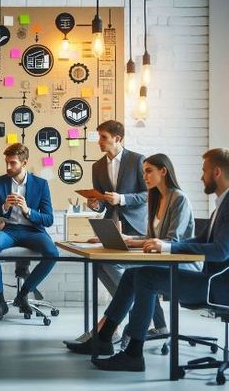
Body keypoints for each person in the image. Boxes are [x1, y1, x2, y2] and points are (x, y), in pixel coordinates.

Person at [73, 148, 229, 372]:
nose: (200, 176)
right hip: (217, 280)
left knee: (145, 276)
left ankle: (133, 354)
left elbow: (222, 251)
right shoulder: (223, 205)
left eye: (203, 171)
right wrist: (157, 243)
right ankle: (104, 338)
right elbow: (200, 241)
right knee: (132, 274)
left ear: (216, 172)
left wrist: (168, 245)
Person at [67, 153, 200, 351]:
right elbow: (149, 238)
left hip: (180, 263)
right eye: (143, 171)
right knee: (108, 266)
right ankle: (106, 334)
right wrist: (126, 239)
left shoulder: (178, 199)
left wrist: (135, 242)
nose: (144, 176)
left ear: (163, 171)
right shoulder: (156, 199)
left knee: (130, 273)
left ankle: (106, 333)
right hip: (160, 260)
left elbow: (172, 242)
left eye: (148, 171)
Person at [74, 120, 148, 343]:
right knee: (98, 264)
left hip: (136, 226)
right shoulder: (97, 166)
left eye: (104, 137)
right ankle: (127, 302)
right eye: (99, 137)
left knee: (131, 274)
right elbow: (103, 202)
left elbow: (148, 194)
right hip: (111, 223)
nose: (100, 141)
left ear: (118, 138)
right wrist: (96, 204)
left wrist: (122, 199)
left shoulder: (137, 160)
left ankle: (121, 315)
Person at [0, 143, 58, 325]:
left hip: (32, 231)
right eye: (7, 163)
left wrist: (27, 210)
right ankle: (0, 301)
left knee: (53, 253)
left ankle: (23, 293)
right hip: (8, 230)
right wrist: (4, 208)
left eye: (13, 163)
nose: (9, 167)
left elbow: (48, 219)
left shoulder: (41, 184)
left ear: (24, 163)